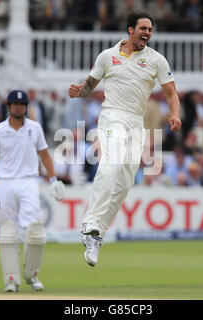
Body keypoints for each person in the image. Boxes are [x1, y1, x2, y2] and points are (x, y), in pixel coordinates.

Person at [68, 12, 181, 267]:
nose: (147, 33)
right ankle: (90, 221)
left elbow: (171, 92)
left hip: (136, 123)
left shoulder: (156, 60)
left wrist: (174, 114)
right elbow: (89, 85)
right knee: (113, 163)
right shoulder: (107, 56)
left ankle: (96, 235)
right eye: (143, 28)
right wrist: (79, 92)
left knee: (127, 179)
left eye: (150, 30)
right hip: (112, 116)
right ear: (131, 30)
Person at [0, 90, 65, 292]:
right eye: (15, 104)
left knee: (36, 231)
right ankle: (11, 278)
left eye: (22, 104)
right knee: (8, 232)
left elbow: (45, 156)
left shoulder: (34, 128)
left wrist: (53, 180)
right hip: (5, 184)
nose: (19, 107)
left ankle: (32, 275)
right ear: (8, 107)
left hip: (29, 182)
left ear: (26, 107)